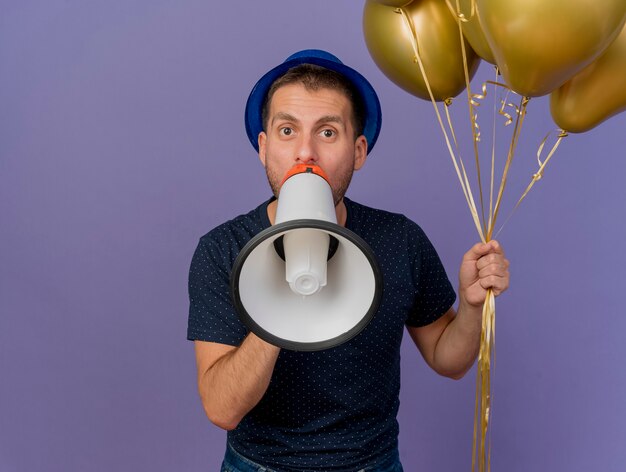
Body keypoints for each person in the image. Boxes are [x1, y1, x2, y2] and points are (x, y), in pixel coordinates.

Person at [187, 50, 510, 472]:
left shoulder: (400, 239)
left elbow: (448, 360)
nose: (305, 152)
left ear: (358, 150)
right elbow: (222, 408)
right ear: (264, 148)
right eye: (287, 130)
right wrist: (279, 306)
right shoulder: (222, 249)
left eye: (327, 132)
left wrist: (470, 307)